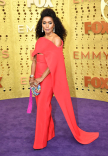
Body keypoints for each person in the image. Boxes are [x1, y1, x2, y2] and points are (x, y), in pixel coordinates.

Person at [27, 8, 99, 150]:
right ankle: (49, 133)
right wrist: (31, 77)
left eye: (50, 23)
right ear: (41, 24)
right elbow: (34, 60)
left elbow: (54, 64)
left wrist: (41, 78)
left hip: (47, 77)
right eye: (44, 23)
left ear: (54, 25)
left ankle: (40, 141)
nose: (47, 26)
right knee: (43, 106)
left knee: (42, 107)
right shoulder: (40, 40)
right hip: (36, 78)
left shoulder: (57, 40)